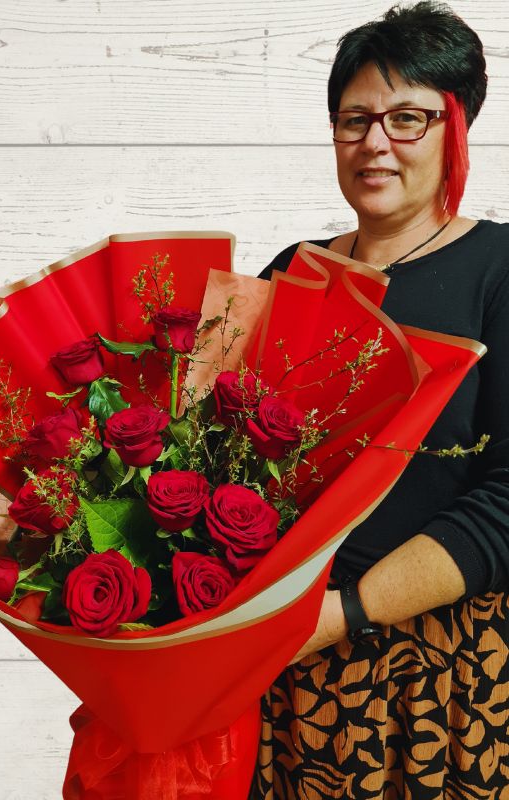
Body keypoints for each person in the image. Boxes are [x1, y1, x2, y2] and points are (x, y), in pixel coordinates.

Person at [252, 3, 509, 798]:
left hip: (444, 676)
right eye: (354, 119)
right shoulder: (292, 270)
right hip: (284, 673)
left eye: (408, 118)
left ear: (455, 126)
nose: (375, 143)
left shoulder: (498, 270)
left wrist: (348, 611)